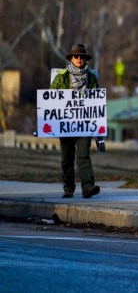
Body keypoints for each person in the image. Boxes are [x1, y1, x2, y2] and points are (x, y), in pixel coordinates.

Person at [51, 43, 101, 199]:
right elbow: (52, 99)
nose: (79, 59)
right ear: (71, 58)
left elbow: (97, 103)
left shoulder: (91, 78)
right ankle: (68, 188)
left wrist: (100, 132)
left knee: (83, 155)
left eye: (82, 57)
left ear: (85, 59)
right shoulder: (61, 77)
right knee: (66, 159)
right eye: (76, 56)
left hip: (84, 124)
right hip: (65, 124)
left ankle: (88, 186)